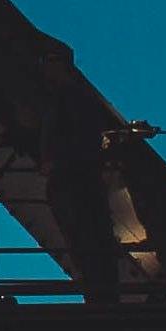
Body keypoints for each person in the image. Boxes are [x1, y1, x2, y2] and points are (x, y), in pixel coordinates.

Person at [45, 108, 132, 306]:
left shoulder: (63, 180)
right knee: (95, 250)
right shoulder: (81, 180)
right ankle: (104, 300)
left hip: (70, 188)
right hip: (80, 189)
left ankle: (99, 299)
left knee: (86, 252)